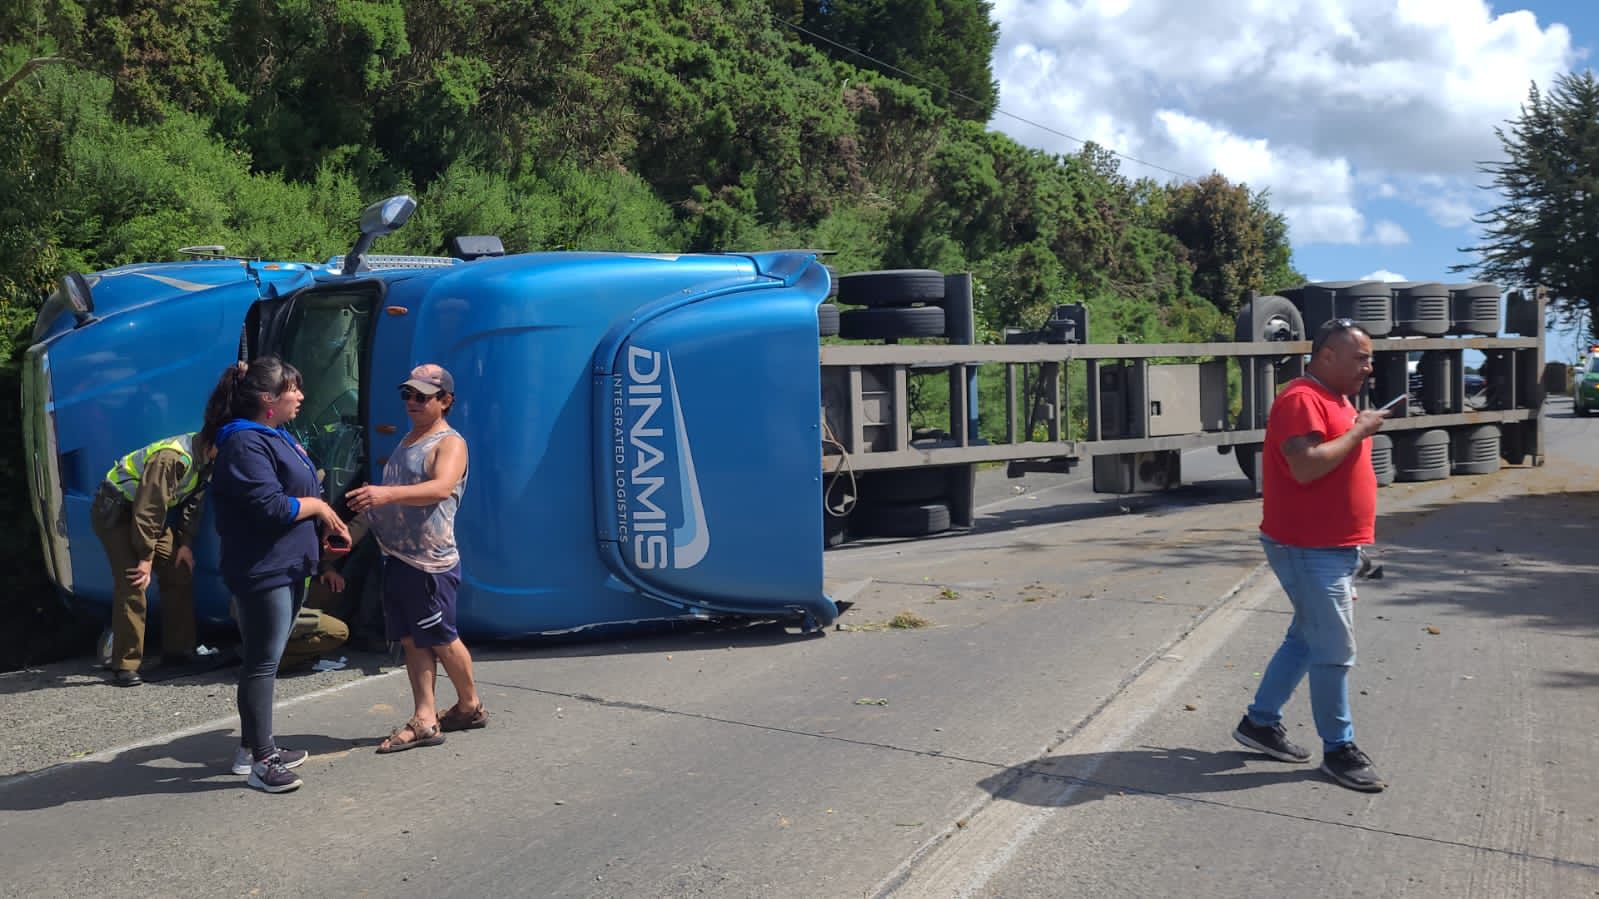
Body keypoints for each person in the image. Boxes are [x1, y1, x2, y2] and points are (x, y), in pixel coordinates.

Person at [1232, 318, 1390, 793]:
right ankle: (1339, 750)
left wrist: (1355, 552)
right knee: (1334, 649)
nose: (1368, 365)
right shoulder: (1302, 399)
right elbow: (1304, 466)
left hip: (1331, 548)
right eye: (1360, 357)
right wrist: (1361, 431)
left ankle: (1259, 723)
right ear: (1326, 356)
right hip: (1308, 548)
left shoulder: (1335, 399)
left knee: (1306, 637)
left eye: (1369, 357)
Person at [209, 357, 350, 794]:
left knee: (265, 658)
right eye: (294, 390)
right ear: (269, 400)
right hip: (262, 568)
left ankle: (254, 747)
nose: (301, 397)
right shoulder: (244, 444)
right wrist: (320, 509)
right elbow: (271, 507)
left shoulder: (273, 436)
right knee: (262, 663)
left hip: (289, 563)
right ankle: (261, 762)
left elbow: (298, 489)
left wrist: (320, 522)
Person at [347, 363, 485, 753]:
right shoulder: (409, 439)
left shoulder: (449, 443)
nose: (412, 402)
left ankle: (470, 704)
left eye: (422, 396)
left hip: (431, 562)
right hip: (399, 558)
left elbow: (441, 487)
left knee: (441, 637)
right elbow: (391, 496)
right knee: (411, 639)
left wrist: (385, 495)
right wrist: (353, 527)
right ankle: (425, 718)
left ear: (445, 401)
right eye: (407, 394)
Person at [90, 417, 223, 686]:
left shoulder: (207, 459)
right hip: (117, 511)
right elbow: (147, 509)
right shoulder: (172, 458)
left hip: (148, 514)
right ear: (212, 444)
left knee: (178, 569)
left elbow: (193, 501)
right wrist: (145, 558)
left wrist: (185, 544)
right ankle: (125, 665)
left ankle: (179, 651)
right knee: (133, 582)